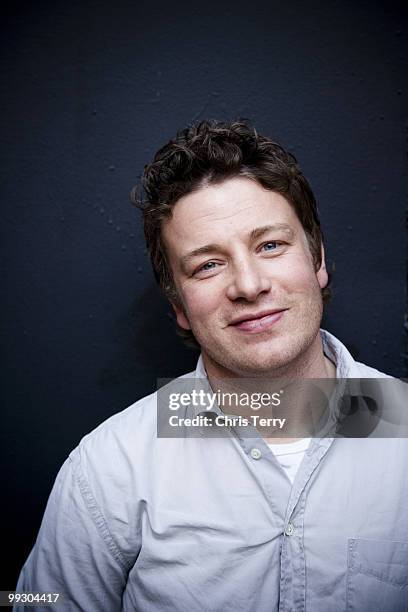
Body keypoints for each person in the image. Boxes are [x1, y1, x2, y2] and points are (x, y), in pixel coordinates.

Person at [16, 120, 408, 611]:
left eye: (270, 245)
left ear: (318, 259)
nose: (248, 285)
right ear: (179, 304)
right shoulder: (111, 466)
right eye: (207, 265)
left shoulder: (404, 427)